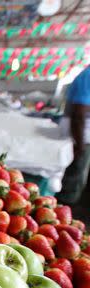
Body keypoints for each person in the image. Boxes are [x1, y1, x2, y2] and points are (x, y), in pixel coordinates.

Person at [59, 66, 90, 205]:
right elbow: (79, 114)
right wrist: (80, 144)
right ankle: (64, 214)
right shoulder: (87, 76)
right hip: (79, 136)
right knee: (73, 178)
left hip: (80, 135)